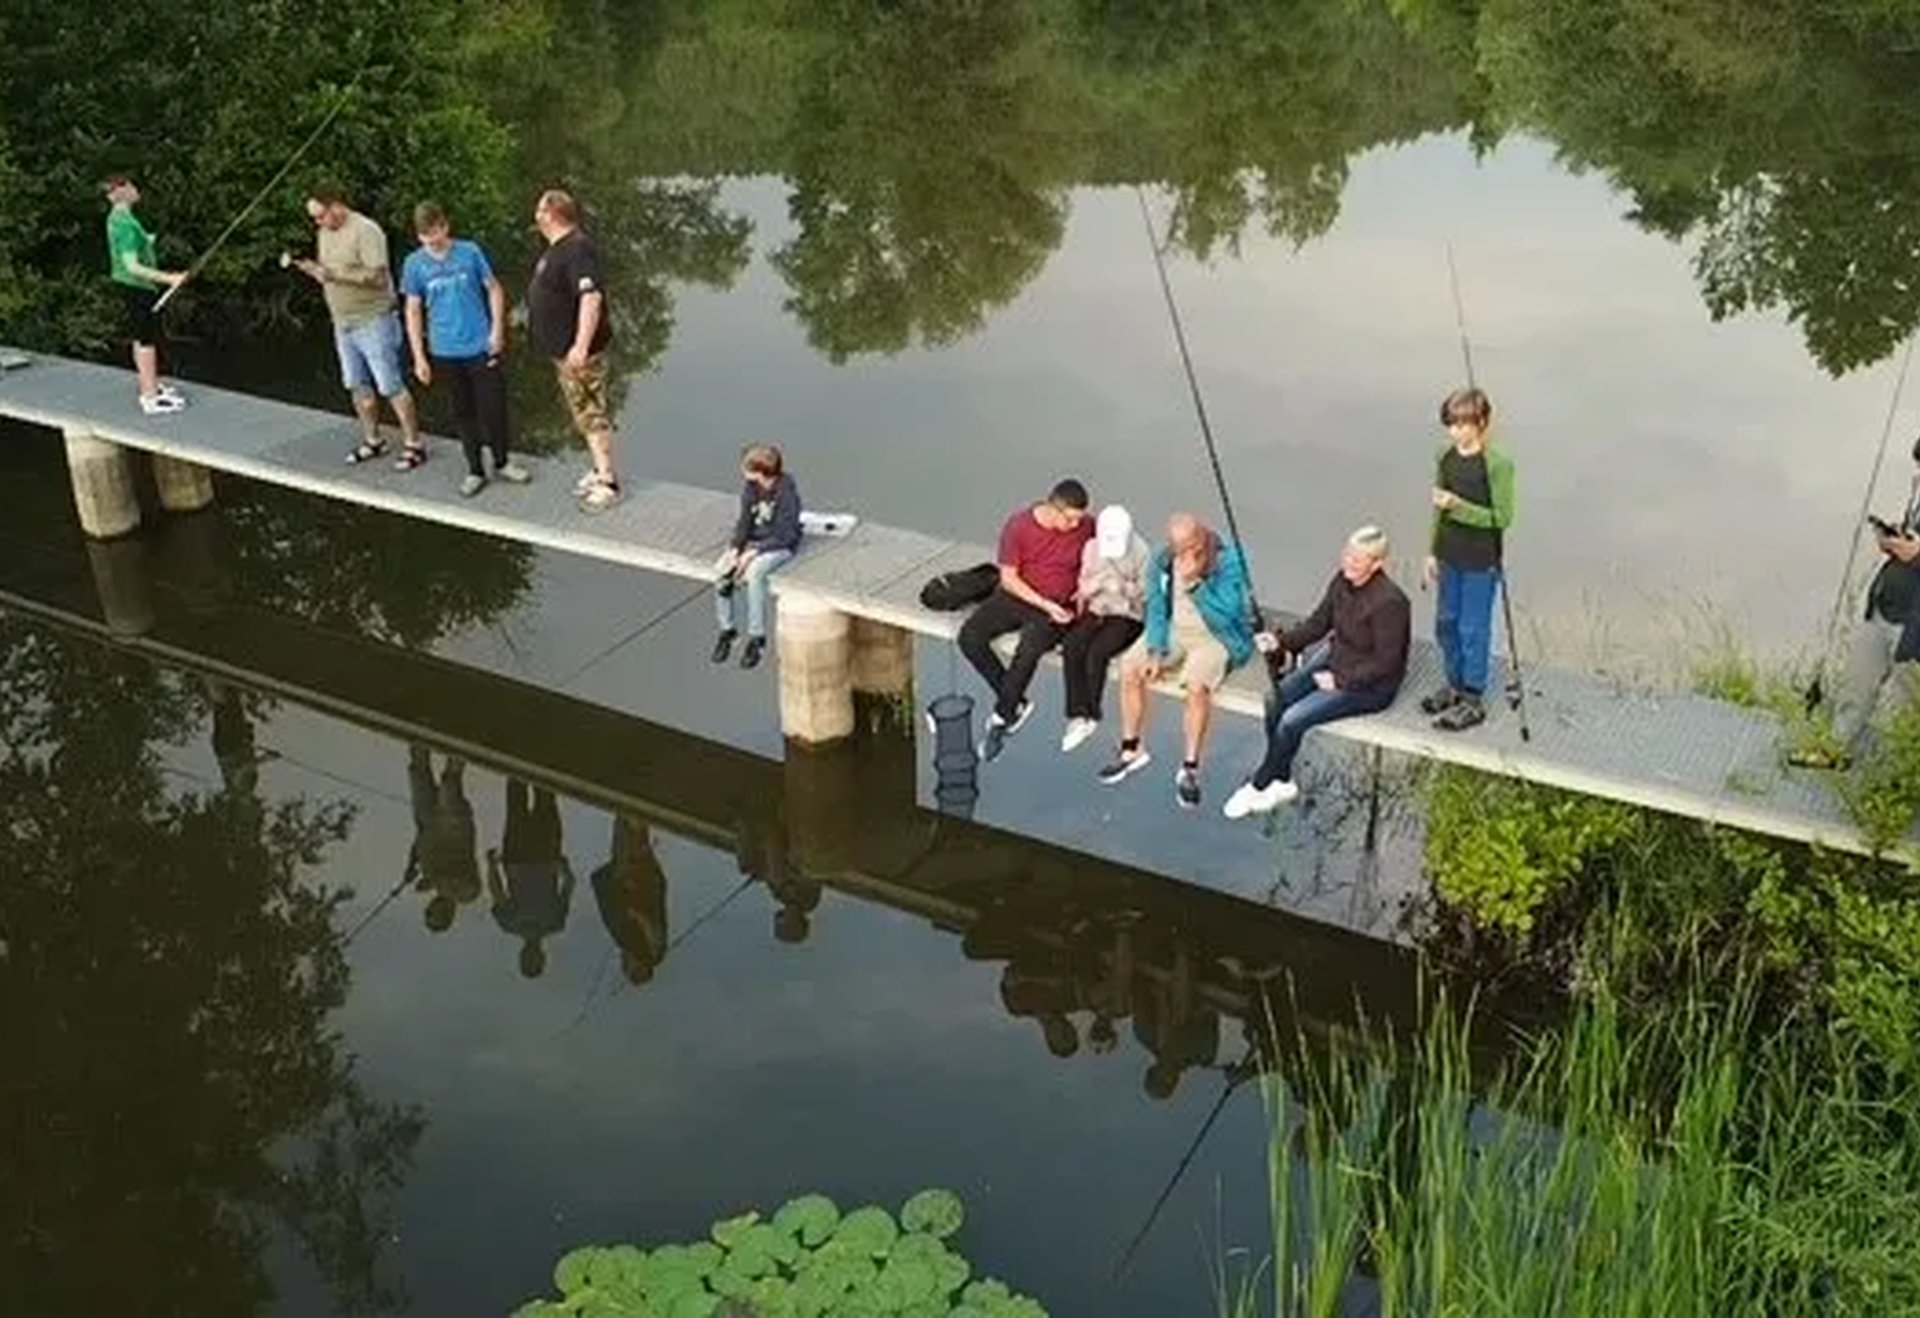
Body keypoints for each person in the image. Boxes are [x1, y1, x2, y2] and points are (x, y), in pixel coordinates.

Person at [1223, 526, 1411, 818]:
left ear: (1376, 564)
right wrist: (1280, 641)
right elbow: (1318, 625)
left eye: (1358, 560)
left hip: (1369, 686)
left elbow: (1388, 663)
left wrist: (1341, 680)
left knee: (1291, 721)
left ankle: (1259, 784)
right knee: (1275, 700)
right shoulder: (1341, 582)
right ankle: (1282, 779)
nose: (1348, 562)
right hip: (1338, 658)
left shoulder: (1391, 603)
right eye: (1348, 554)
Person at [1098, 513, 1256, 809]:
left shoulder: (1231, 560)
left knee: (1196, 687)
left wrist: (1196, 585)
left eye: (1189, 546)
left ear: (1200, 536)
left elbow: (1231, 614)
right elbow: (1156, 605)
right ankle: (1131, 749)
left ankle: (1190, 767)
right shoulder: (1161, 557)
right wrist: (1156, 649)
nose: (1183, 554)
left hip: (1216, 637)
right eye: (1177, 548)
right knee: (1130, 667)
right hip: (1175, 630)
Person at [1797, 435, 1920, 769]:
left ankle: (1901, 780)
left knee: (1908, 708)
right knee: (1856, 685)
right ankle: (1834, 750)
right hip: (1885, 605)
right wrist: (1893, 540)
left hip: (1914, 628)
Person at [958, 478, 1094, 761]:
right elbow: (1008, 578)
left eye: (1079, 520)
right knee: (970, 637)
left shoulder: (1087, 526)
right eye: (1070, 520)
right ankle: (1016, 701)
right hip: (1022, 595)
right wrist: (1041, 602)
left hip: (1060, 605)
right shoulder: (1019, 526)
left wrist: (1084, 589)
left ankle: (1001, 717)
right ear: (1054, 509)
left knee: (1030, 646)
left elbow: (1100, 560)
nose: (1075, 526)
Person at [400, 202, 529, 497]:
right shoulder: (414, 264)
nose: (432, 240)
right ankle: (474, 470)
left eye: (435, 232)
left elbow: (494, 289)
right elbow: (413, 310)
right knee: (462, 412)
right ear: (418, 236)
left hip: (480, 345)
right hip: (444, 350)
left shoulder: (469, 252)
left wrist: (497, 329)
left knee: (493, 408)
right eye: (425, 235)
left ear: (445, 226)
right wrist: (419, 356)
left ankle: (502, 461)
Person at [294, 183, 424, 469]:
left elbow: (378, 277)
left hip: (374, 319)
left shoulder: (366, 230)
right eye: (314, 218)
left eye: (320, 215)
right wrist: (316, 272)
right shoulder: (323, 234)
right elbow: (331, 274)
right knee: (355, 384)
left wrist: (333, 274)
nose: (317, 222)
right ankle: (373, 440)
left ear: (337, 206)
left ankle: (414, 444)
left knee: (390, 384)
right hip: (343, 323)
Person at [1420, 386, 1515, 731]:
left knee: (1472, 628)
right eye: (1451, 424)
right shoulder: (1444, 457)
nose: (1456, 431)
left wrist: (1458, 507)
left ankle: (1473, 697)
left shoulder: (1499, 464)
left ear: (1482, 423)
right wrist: (1431, 551)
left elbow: (1502, 517)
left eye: (1463, 424)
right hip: (1448, 555)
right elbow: (1438, 510)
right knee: (1446, 623)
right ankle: (1454, 684)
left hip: (1480, 560)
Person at [528, 189, 619, 511]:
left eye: (540, 210)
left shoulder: (578, 249)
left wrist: (580, 346)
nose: (535, 216)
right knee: (582, 413)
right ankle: (597, 469)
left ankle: (608, 481)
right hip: (563, 354)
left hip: (580, 355)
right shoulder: (559, 249)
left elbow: (590, 298)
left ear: (551, 214)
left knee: (591, 412)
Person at [1058, 504, 1148, 753]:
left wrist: (1123, 588)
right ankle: (1077, 713)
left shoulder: (1141, 551)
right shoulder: (1092, 547)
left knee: (1098, 653)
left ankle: (1093, 713)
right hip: (1098, 608)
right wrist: (1095, 585)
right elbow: (1083, 584)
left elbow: (1146, 592)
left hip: (1126, 615)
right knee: (1072, 646)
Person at [103, 176, 189, 414]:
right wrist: (170, 278)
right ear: (124, 190)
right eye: (133, 186)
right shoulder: (126, 225)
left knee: (140, 336)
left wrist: (147, 242)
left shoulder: (117, 218)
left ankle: (149, 385)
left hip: (127, 285)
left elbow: (125, 250)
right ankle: (150, 398)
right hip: (136, 287)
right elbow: (132, 266)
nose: (137, 190)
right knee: (146, 340)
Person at [712, 443, 802, 670]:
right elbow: (744, 522)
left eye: (747, 469)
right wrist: (736, 548)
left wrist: (753, 553)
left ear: (761, 472)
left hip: (780, 546)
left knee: (756, 572)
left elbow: (785, 535)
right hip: (754, 543)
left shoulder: (786, 492)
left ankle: (757, 638)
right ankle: (728, 631)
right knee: (721, 570)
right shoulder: (750, 488)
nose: (743, 472)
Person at [487, 779, 575, 977]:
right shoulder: (555, 923)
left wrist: (491, 866)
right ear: (543, 958)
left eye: (527, 960)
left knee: (516, 799)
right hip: (546, 855)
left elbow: (497, 892)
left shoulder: (509, 924)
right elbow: (568, 887)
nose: (531, 957)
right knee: (546, 796)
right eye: (535, 961)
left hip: (517, 857)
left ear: (520, 956)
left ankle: (513, 758)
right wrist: (564, 869)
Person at [408, 746, 480, 933]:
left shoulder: (431, 878)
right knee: (450, 781)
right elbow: (463, 880)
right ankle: (461, 736)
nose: (429, 908)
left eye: (427, 912)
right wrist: (431, 880)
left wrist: (411, 865)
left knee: (418, 771)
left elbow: (419, 847)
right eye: (432, 913)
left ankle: (419, 730)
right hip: (453, 826)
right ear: (447, 914)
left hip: (427, 822)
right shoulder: (467, 895)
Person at [590, 817, 669, 986]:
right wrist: (637, 915)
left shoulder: (625, 942)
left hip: (623, 874)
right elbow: (654, 929)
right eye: (628, 967)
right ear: (639, 967)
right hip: (639, 878)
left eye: (624, 967)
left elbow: (607, 905)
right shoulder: (654, 952)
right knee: (633, 832)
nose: (623, 964)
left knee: (625, 829)